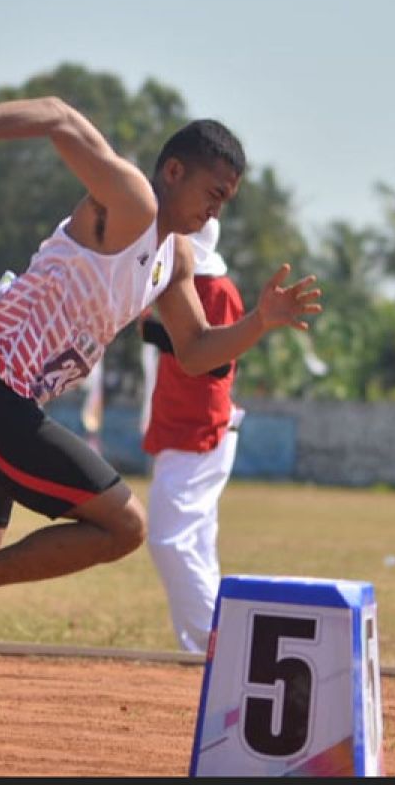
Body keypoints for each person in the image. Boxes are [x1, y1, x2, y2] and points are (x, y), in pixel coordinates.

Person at [0, 96, 322, 733]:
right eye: (213, 193)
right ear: (174, 171)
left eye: (226, 200)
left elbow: (197, 351)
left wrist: (260, 321)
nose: (216, 210)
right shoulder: (132, 201)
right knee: (124, 526)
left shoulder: (174, 259)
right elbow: (57, 116)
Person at [138, 217, 244, 654]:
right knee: (196, 543)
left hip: (199, 431)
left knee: (168, 540)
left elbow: (217, 362)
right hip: (184, 427)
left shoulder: (216, 290)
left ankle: (215, 643)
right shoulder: (177, 283)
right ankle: (215, 642)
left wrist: (164, 334)